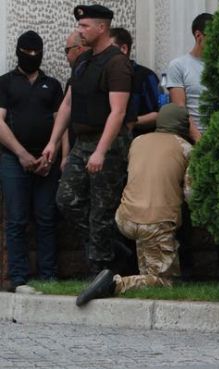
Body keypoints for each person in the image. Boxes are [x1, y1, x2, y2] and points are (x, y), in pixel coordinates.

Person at [41, 4, 133, 276]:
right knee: (66, 200)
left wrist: (101, 151)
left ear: (102, 28)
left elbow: (118, 112)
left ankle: (101, 272)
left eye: (84, 26)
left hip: (109, 144)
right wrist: (53, 142)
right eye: (79, 25)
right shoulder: (83, 61)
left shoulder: (117, 63)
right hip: (82, 143)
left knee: (101, 211)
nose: (79, 30)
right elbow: (68, 104)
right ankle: (115, 250)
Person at [75, 103, 192, 306]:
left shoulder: (138, 141)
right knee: (164, 281)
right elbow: (191, 194)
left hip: (126, 218)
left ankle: (138, 279)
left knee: (149, 271)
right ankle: (113, 283)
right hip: (156, 222)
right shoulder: (186, 149)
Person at [0, 31, 64, 292]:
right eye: (28, 53)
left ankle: (49, 277)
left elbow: (61, 123)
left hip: (46, 161)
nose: (33, 56)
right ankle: (18, 278)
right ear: (18, 53)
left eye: (37, 53)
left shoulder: (53, 85)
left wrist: (54, 154)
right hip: (13, 160)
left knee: (47, 218)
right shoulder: (5, 82)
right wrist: (21, 154)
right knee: (16, 219)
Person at [165, 12, 212, 144]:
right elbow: (180, 108)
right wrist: (199, 139)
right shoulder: (179, 65)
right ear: (199, 36)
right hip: (192, 138)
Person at [109, 27, 160, 137]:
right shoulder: (104, 76)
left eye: (109, 50)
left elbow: (158, 115)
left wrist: (128, 121)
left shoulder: (146, 76)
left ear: (123, 49)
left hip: (139, 140)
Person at [61, 30, 89, 172]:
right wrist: (65, 155)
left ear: (79, 49)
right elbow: (66, 118)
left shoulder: (100, 76)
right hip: (75, 152)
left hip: (97, 152)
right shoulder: (72, 80)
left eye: (67, 50)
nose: (66, 56)